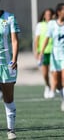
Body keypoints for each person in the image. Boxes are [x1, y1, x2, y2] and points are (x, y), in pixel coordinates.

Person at [0, 9, 20, 139]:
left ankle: (11, 130)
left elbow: (14, 40)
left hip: (7, 64)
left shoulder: (10, 18)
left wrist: (14, 59)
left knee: (8, 98)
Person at [34, 8, 55, 98]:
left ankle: (53, 90)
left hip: (54, 51)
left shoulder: (55, 24)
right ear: (43, 16)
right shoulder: (40, 25)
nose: (48, 16)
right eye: (46, 15)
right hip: (43, 52)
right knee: (45, 73)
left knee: (54, 72)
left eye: (50, 14)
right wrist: (36, 51)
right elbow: (37, 39)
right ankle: (47, 86)